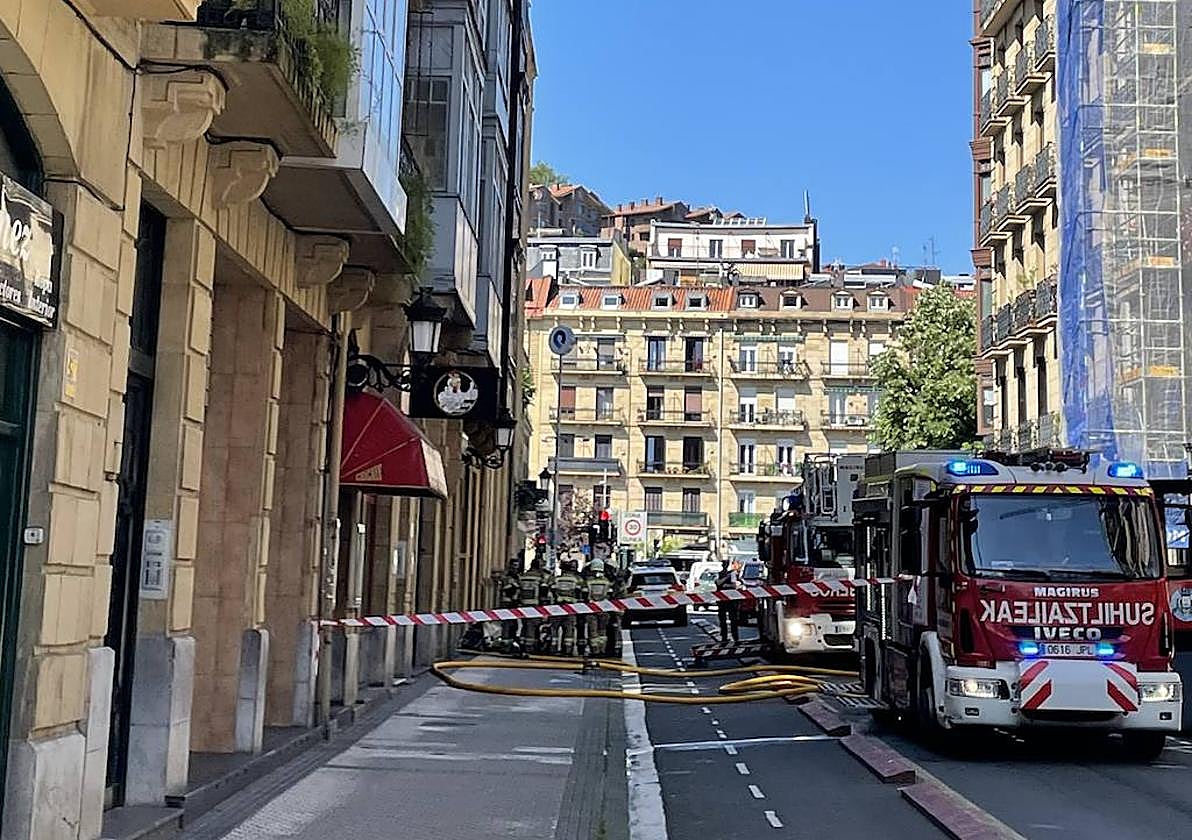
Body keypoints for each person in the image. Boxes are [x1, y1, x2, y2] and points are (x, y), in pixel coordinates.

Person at [518, 557, 551, 653]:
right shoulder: (540, 577)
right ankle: (530, 647)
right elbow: (543, 592)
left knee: (525, 626)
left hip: (523, 604)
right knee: (532, 626)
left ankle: (522, 644)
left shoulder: (523, 576)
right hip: (534, 606)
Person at [581, 558, 612, 657]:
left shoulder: (588, 581)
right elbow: (610, 595)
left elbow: (584, 594)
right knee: (602, 630)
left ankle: (595, 650)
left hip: (591, 609)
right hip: (604, 609)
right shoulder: (607, 581)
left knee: (593, 631)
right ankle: (602, 649)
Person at [553, 558, 583, 656]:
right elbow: (579, 593)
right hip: (571, 608)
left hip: (557, 608)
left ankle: (553, 648)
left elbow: (551, 591)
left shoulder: (557, 579)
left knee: (555, 629)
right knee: (569, 629)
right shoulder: (577, 580)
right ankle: (567, 649)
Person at [715, 560, 741, 643]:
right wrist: (726, 579)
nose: (724, 566)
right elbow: (718, 583)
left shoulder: (732, 573)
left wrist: (725, 585)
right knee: (723, 619)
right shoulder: (721, 573)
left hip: (731, 599)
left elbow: (734, 585)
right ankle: (724, 636)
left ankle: (735, 637)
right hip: (722, 600)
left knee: (733, 619)